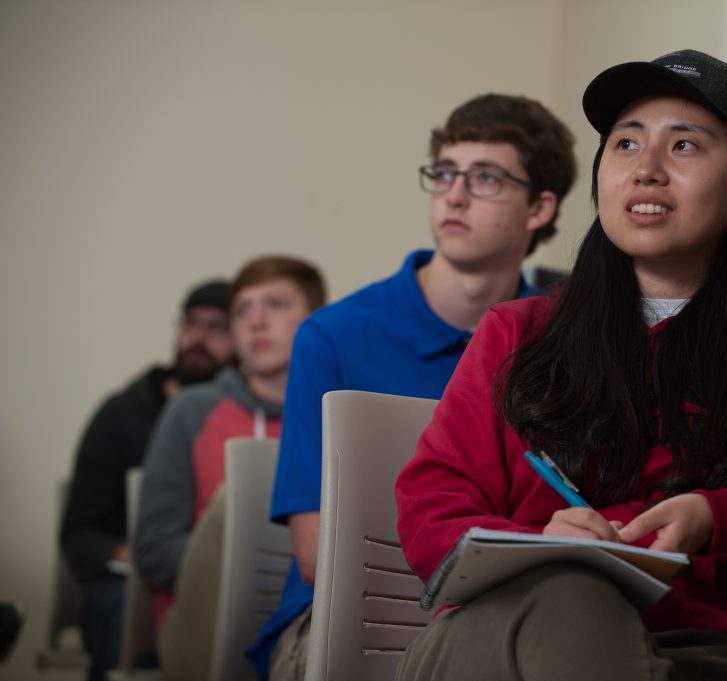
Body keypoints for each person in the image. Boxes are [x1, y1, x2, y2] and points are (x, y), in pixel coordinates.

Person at [393, 50, 727, 681]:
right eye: (624, 144)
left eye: (686, 147)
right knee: (574, 592)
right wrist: (538, 548)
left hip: (694, 648)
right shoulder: (517, 332)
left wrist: (720, 514)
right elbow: (432, 503)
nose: (645, 170)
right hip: (498, 639)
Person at [247, 93, 577, 681]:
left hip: (505, 616)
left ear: (539, 208)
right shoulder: (334, 335)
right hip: (345, 621)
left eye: (487, 178)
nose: (454, 194)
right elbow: (315, 554)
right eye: (445, 173)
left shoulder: (569, 338)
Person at [132, 255, 326, 678]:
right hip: (205, 620)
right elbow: (153, 545)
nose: (255, 321)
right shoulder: (191, 410)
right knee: (231, 502)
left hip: (308, 617)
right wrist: (242, 565)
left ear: (316, 319)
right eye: (242, 310)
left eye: (275, 305)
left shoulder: (333, 417)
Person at [60, 279, 234, 681]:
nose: (198, 338)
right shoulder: (121, 414)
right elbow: (79, 534)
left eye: (216, 327)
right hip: (134, 578)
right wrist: (135, 555)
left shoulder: (249, 420)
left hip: (220, 578)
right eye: (191, 323)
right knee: (125, 609)